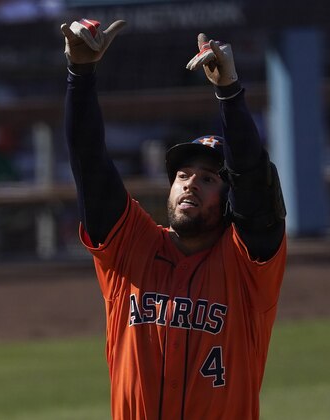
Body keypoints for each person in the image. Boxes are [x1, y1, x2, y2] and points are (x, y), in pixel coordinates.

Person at [61, 18, 287, 420]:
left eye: (208, 178)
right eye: (182, 176)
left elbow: (254, 185)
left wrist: (229, 93)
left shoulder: (248, 267)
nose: (190, 185)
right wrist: (80, 74)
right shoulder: (131, 248)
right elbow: (90, 166)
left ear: (228, 195)